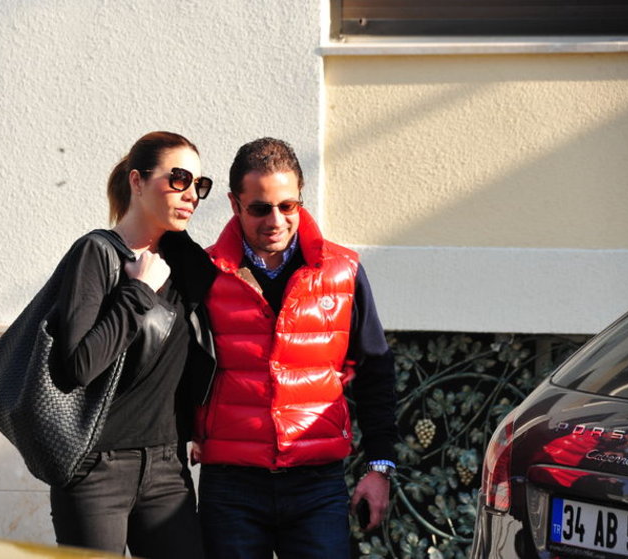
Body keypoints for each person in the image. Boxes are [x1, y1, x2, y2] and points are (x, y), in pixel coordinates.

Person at [193, 137, 398, 559]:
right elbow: (178, 370)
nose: (276, 220)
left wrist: (380, 467)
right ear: (234, 204)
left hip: (316, 484)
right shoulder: (204, 274)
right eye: (260, 208)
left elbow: (375, 372)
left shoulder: (343, 271)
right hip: (231, 485)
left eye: (288, 206)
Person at [49, 131, 217, 559]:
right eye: (178, 179)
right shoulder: (97, 253)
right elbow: (76, 366)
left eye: (199, 184)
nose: (191, 194)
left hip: (167, 467)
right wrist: (138, 291)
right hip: (96, 469)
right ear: (137, 181)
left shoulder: (186, 264)